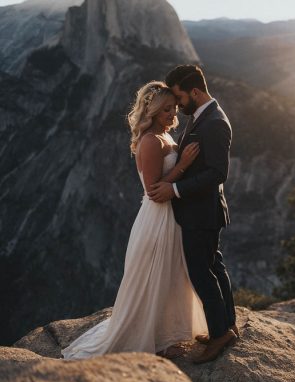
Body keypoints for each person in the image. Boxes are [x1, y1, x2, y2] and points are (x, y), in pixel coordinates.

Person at [62, 81, 208, 359]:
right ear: (150, 111)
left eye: (174, 108)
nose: (172, 113)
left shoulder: (164, 136)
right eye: (165, 109)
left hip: (172, 216)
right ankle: (153, 339)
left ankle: (165, 336)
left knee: (170, 275)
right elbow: (154, 191)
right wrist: (184, 166)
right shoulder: (151, 141)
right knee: (154, 277)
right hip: (158, 218)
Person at [148, 65, 238, 364]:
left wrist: (175, 191)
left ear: (195, 92)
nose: (178, 104)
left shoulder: (214, 123)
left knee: (201, 272)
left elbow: (217, 173)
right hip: (203, 211)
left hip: (202, 211)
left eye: (180, 97)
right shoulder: (203, 116)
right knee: (214, 266)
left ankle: (219, 334)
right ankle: (225, 326)